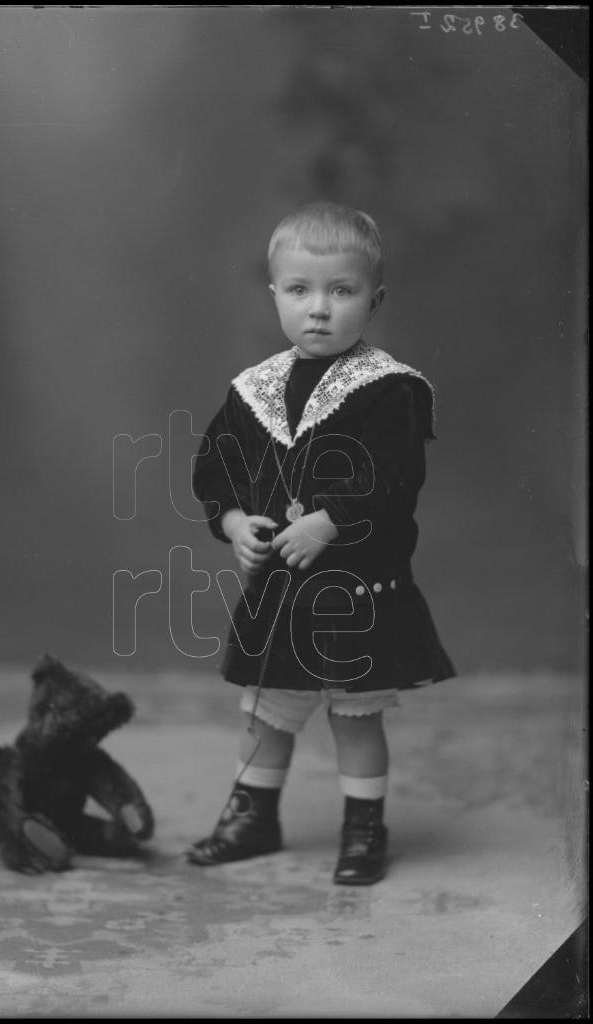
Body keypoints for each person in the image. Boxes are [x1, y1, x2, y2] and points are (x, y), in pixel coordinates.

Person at [187, 202, 455, 885]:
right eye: (299, 289)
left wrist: (330, 520)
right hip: (281, 594)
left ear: (373, 300)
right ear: (273, 292)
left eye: (341, 291)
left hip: (355, 594)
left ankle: (363, 828)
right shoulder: (253, 391)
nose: (318, 309)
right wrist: (233, 522)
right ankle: (253, 815)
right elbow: (215, 467)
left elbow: (395, 480)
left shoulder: (388, 391)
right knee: (267, 713)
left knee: (353, 715)